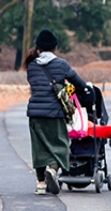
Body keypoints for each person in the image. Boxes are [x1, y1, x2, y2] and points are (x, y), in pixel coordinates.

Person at [24, 29, 87, 195]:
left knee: (39, 148)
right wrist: (84, 88)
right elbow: (79, 82)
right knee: (61, 145)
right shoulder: (61, 64)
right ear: (55, 47)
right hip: (54, 113)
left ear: (38, 46)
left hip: (35, 114)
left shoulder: (31, 65)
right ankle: (52, 170)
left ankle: (40, 184)